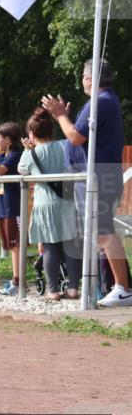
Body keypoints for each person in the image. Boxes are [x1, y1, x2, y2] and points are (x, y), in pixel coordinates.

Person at [41, 58, 130, 307]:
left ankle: (122, 287)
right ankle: (120, 286)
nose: (82, 81)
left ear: (89, 79)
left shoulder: (100, 102)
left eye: (83, 76)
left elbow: (75, 136)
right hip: (100, 174)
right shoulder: (105, 100)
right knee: (102, 231)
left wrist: (60, 116)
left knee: (102, 231)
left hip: (99, 175)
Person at [19, 108, 81, 300]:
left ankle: (53, 290)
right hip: (67, 201)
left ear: (31, 134)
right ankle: (73, 288)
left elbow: (22, 171)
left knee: (50, 247)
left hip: (44, 202)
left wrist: (27, 149)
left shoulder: (31, 154)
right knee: (70, 244)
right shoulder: (64, 145)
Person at [0, 122, 25, 295]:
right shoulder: (0, 156)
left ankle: (18, 281)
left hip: (13, 206)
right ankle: (15, 279)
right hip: (2, 206)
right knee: (9, 245)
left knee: (16, 245)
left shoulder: (15, 155)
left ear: (8, 140)